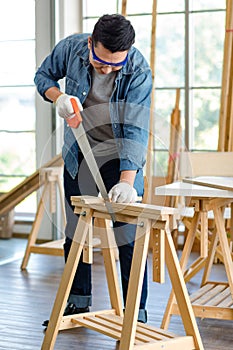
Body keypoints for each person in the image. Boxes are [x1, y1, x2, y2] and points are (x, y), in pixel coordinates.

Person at [34, 14, 152, 325]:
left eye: (115, 65)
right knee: (76, 232)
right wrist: (58, 97)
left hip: (121, 154)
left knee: (129, 235)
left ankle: (135, 314)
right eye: (101, 63)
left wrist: (128, 181)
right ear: (90, 44)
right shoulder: (71, 49)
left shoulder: (138, 71)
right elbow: (43, 76)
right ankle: (78, 303)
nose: (108, 70)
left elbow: (136, 130)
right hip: (80, 152)